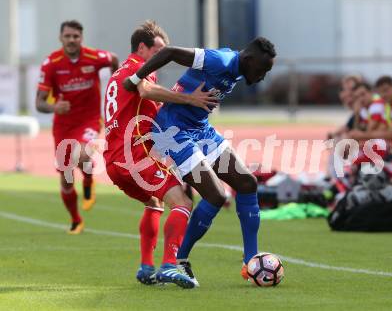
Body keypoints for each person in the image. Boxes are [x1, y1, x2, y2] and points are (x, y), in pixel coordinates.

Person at [123, 37, 276, 285]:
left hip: (200, 129)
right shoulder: (220, 60)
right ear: (249, 60)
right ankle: (178, 260)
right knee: (216, 195)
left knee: (247, 183)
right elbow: (171, 52)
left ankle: (250, 260)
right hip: (172, 129)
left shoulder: (239, 67)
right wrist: (135, 78)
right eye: (261, 70)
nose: (262, 76)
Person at [104, 20, 218, 288]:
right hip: (136, 155)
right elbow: (145, 90)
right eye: (158, 52)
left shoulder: (117, 75)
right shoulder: (137, 71)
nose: (162, 59)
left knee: (154, 203)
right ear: (142, 48)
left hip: (114, 160)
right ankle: (169, 264)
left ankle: (146, 267)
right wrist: (191, 99)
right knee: (182, 202)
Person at [36, 20, 119, 234]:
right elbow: (39, 102)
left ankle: (89, 181)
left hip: (89, 120)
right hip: (63, 125)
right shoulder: (51, 64)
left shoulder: (94, 57)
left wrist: (116, 85)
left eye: (75, 36)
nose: (72, 40)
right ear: (60, 38)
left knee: (81, 154)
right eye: (68, 36)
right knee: (66, 177)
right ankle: (76, 220)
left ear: (81, 38)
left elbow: (114, 59)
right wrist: (54, 106)